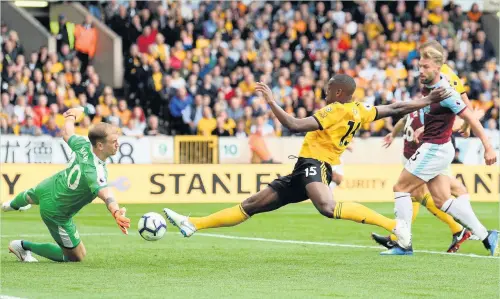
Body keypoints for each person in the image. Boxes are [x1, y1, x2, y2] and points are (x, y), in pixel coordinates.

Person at [163, 74, 450, 240]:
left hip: (316, 165)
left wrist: (272, 101)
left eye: (327, 89)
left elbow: (294, 125)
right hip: (302, 169)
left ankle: (394, 226)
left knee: (326, 206)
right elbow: (395, 108)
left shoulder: (334, 109)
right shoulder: (359, 109)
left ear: (338, 92)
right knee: (252, 204)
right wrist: (427, 100)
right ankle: (194, 224)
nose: (324, 93)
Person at [385, 43, 498, 256]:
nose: (420, 71)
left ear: (438, 68)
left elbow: (470, 117)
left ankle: (403, 244)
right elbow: (432, 114)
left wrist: (488, 147)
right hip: (435, 146)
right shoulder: (428, 86)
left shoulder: (446, 92)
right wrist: (423, 129)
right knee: (442, 200)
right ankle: (486, 235)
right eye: (419, 66)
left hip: (435, 149)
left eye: (425, 67)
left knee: (401, 188)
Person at [2, 109, 131, 262]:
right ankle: (22, 246)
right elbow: (105, 192)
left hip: (49, 186)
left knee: (30, 196)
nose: (118, 144)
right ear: (100, 146)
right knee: (77, 256)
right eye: (113, 141)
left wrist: (71, 116)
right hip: (56, 212)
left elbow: (67, 134)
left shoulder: (83, 144)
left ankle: (10, 205)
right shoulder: (94, 170)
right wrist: (116, 211)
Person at [372, 106, 473, 253]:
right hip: (411, 158)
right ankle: (398, 238)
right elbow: (403, 120)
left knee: (420, 195)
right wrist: (393, 134)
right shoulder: (417, 108)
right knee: (413, 197)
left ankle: (461, 229)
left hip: (421, 160)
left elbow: (453, 122)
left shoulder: (433, 111)